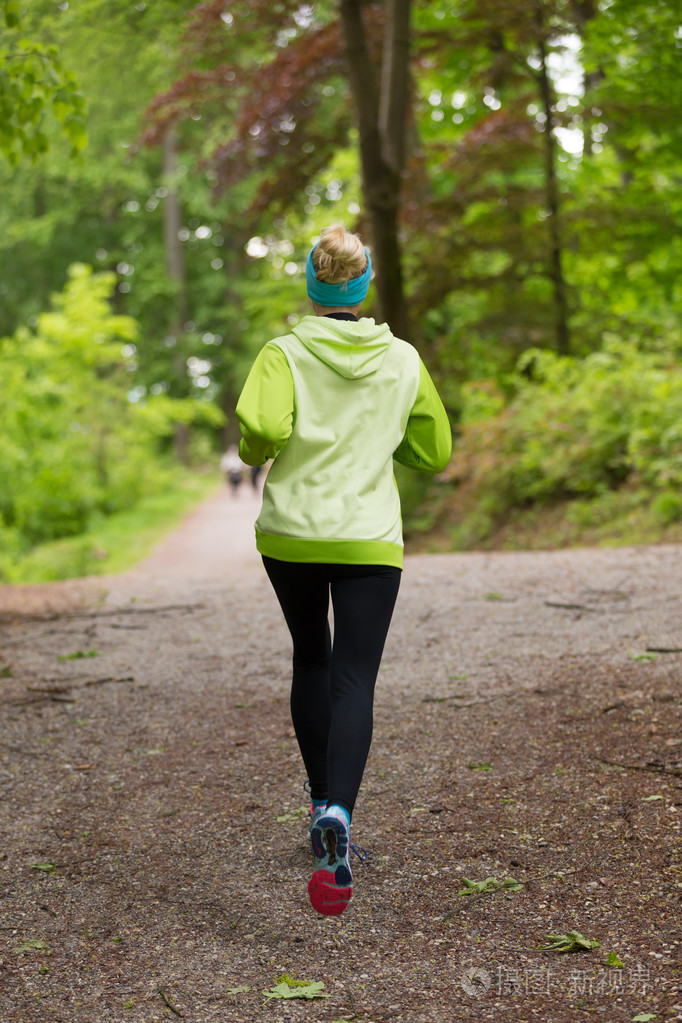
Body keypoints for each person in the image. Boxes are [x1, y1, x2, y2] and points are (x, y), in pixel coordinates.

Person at [235, 224, 451, 916]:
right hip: (368, 540)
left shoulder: (283, 354)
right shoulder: (403, 360)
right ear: (364, 285)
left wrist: (259, 447)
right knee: (355, 678)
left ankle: (317, 799)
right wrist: (382, 441)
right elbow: (432, 450)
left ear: (312, 284)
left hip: (293, 536)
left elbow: (260, 433)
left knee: (312, 657)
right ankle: (340, 812)